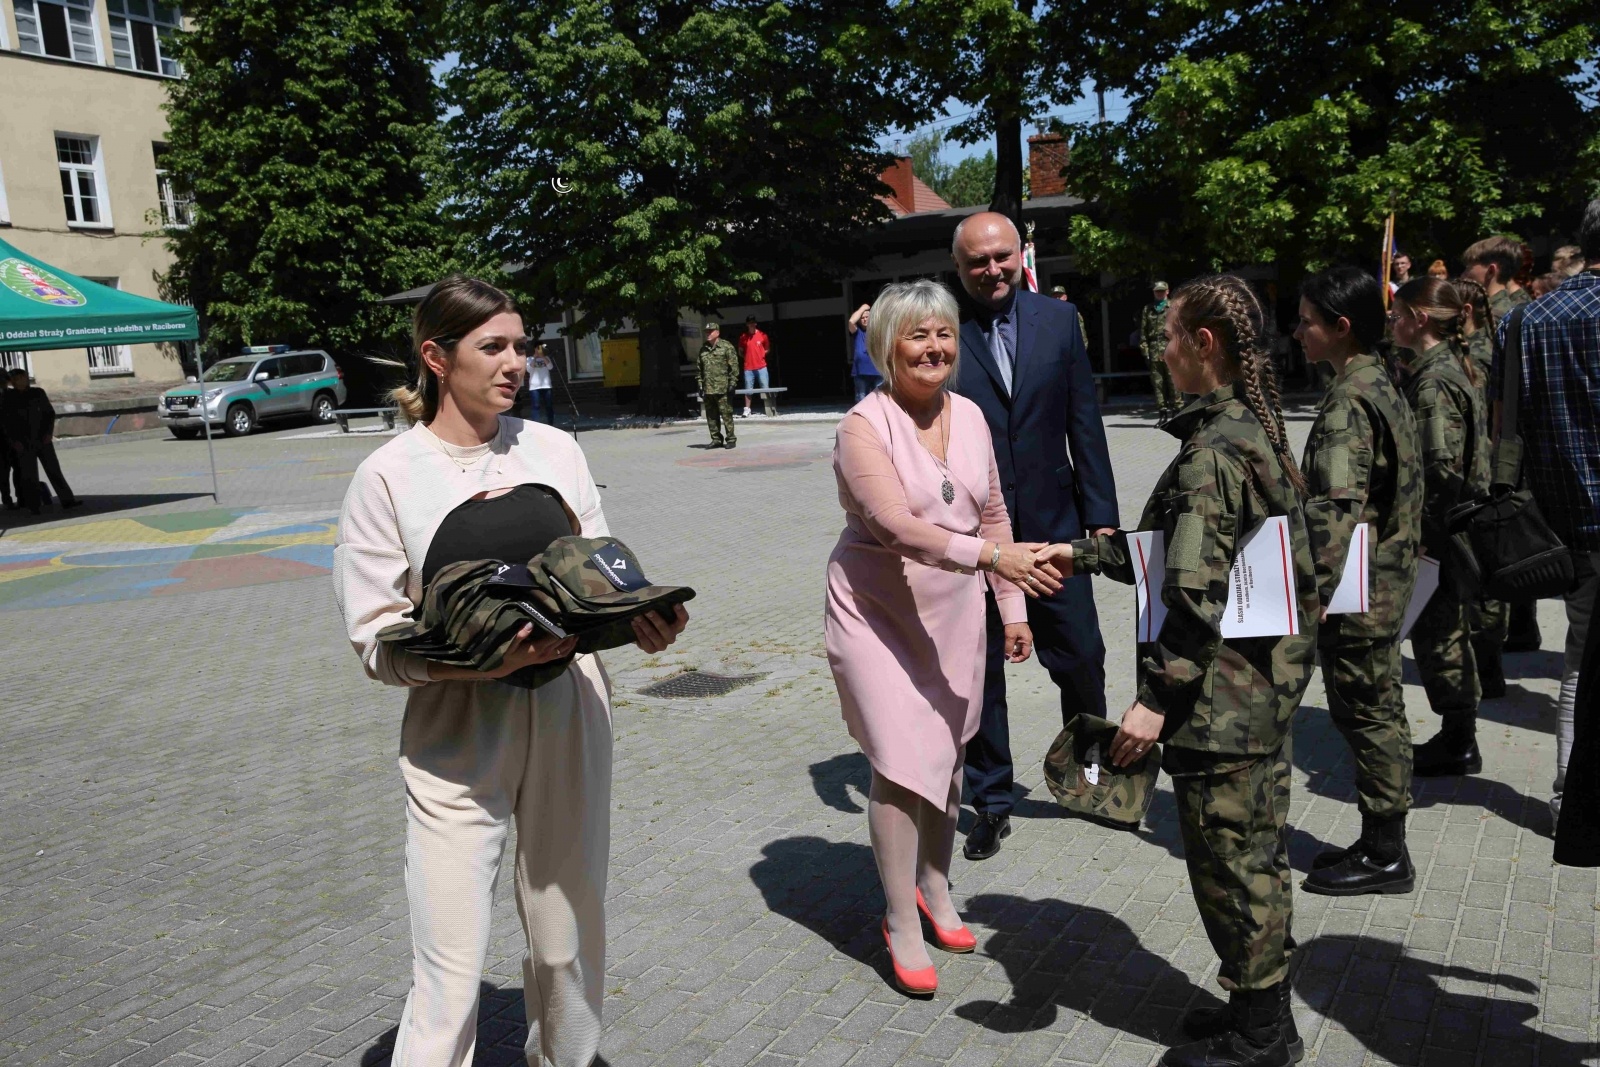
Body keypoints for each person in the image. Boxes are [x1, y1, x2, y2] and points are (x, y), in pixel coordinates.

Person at [333, 275, 689, 1067]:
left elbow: (602, 574)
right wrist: (480, 658)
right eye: (492, 347)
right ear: (435, 356)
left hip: (569, 711)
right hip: (457, 731)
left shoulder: (555, 448)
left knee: (566, 941)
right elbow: (373, 638)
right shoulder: (389, 474)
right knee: (450, 967)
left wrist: (638, 620)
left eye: (520, 345)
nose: (515, 363)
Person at [1035, 274, 1318, 1067]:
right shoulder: (1241, 429)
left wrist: (1154, 699)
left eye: (1167, 336)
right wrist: (1081, 551)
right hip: (1252, 692)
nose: (1157, 350)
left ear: (1204, 345)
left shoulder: (1213, 453)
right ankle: (1256, 1006)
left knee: (1233, 866)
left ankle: (1263, 1034)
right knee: (1253, 854)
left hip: (1219, 703)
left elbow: (1194, 593)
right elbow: (1175, 551)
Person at [825, 279, 1060, 997]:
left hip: (954, 611)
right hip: (876, 612)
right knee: (900, 763)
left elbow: (993, 511)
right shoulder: (862, 426)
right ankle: (899, 917)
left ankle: (935, 883)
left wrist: (1012, 609)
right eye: (917, 335)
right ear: (886, 345)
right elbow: (896, 525)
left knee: (949, 758)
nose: (934, 347)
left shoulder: (972, 416)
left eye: (944, 334)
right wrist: (994, 560)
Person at [949, 212, 1119, 860]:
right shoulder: (944, 333)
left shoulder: (1058, 321)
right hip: (977, 542)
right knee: (979, 674)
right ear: (959, 269)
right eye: (977, 262)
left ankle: (1092, 776)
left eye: (1001, 256)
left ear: (1021, 254)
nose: (992, 270)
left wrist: (1099, 518)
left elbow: (1086, 420)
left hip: (1055, 531)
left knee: (1081, 657)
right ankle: (991, 801)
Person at [1293, 267, 1424, 895]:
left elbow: (1335, 509)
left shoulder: (1351, 397)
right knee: (1380, 709)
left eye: (1307, 321)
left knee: (1369, 714)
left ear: (1341, 328)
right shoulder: (1377, 378)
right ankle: (1381, 838)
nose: (1297, 333)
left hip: (1359, 589)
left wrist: (1310, 587)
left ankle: (1385, 852)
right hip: (1383, 578)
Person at [1495, 197, 1600, 825]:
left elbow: (1505, 428)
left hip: (1563, 527)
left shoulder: (1525, 321)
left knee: (1581, 663)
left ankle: (1570, 800)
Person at [1390, 278, 1490, 777]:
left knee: (1441, 636)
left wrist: (1421, 535)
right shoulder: (1440, 368)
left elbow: (1441, 469)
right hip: (1451, 530)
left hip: (1443, 533)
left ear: (1420, 318)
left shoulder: (1431, 382)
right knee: (1446, 633)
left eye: (1397, 314)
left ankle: (1458, 742)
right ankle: (1459, 737)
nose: (1392, 323)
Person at [1462, 236, 1542, 653]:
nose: (1465, 275)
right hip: (1514, 435)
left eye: (1470, 267)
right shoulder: (1523, 307)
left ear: (1490, 270)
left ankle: (1500, 634)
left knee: (1499, 534)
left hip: (1499, 436)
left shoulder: (1501, 315)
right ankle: (1524, 625)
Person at [1451, 276, 1510, 698]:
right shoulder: (1474, 351)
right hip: (1485, 471)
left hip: (1478, 475)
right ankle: (1488, 663)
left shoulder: (1478, 355)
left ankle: (1487, 667)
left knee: (1481, 576)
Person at [2, 368, 80, 514]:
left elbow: (49, 413)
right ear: (12, 382)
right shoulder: (8, 398)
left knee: (54, 469)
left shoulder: (37, 393)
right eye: (17, 379)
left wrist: (49, 433)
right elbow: (6, 422)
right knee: (28, 475)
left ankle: (67, 500)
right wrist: (14, 441)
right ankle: (34, 506)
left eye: (22, 377)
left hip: (42, 438)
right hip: (23, 442)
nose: (21, 381)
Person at [1140, 281, 1181, 423]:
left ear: (1167, 291)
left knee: (1173, 381)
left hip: (1170, 349)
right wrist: (1145, 350)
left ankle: (1177, 412)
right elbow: (1143, 333)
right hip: (1154, 350)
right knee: (1158, 384)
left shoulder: (1173, 308)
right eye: (1157, 291)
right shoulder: (1148, 309)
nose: (1160, 293)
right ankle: (1162, 413)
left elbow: (1179, 331)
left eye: (1162, 291)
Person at [696, 321, 740, 449]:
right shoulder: (703, 349)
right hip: (708, 389)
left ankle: (731, 439)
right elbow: (699, 369)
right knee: (711, 416)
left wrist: (732, 383)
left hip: (722, 388)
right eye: (707, 332)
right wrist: (700, 384)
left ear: (718, 332)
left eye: (711, 331)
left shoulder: (726, 347)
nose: (708, 334)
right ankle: (716, 439)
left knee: (726, 415)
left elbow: (734, 367)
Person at [737, 315, 773, 417]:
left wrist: (761, 354)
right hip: (748, 367)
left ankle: (768, 408)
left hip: (761, 366)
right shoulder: (743, 337)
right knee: (748, 389)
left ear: (755, 323)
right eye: (749, 323)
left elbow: (767, 348)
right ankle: (747, 409)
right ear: (747, 324)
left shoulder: (763, 335)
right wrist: (747, 357)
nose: (751, 324)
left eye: (753, 322)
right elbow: (740, 351)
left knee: (765, 387)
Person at [847, 304, 880, 401]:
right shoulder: (858, 332)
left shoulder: (878, 331)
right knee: (861, 399)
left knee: (880, 399)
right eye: (862, 318)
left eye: (867, 317)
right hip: (860, 372)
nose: (865, 319)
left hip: (878, 371)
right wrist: (862, 308)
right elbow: (851, 321)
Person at [522, 342, 555, 425]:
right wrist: (535, 358)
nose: (539, 350)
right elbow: (529, 370)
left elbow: (550, 367)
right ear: (535, 349)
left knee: (549, 406)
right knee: (535, 406)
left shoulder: (546, 357)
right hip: (534, 386)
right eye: (538, 348)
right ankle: (535, 424)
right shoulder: (529, 359)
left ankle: (551, 424)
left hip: (546, 385)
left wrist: (543, 356)